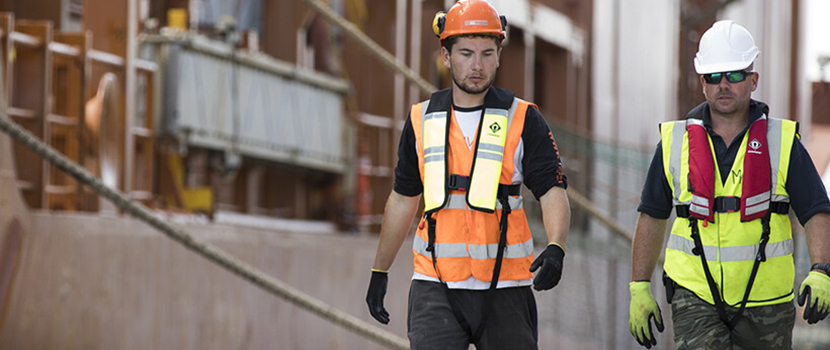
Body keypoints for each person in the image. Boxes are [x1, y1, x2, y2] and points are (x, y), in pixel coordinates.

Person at [364, 0, 571, 349]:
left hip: (506, 286)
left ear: (499, 54)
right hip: (436, 285)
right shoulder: (421, 119)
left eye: (487, 53)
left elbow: (552, 191)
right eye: (466, 53)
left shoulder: (523, 119)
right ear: (445, 56)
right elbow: (402, 199)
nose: (477, 65)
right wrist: (379, 270)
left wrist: (556, 246)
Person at [628, 20, 830, 349]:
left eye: (734, 75)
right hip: (695, 297)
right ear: (703, 83)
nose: (724, 84)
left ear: (753, 80)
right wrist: (638, 287)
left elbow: (817, 211)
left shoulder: (782, 142)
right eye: (714, 76)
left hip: (768, 302)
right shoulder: (673, 142)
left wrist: (822, 269)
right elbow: (652, 215)